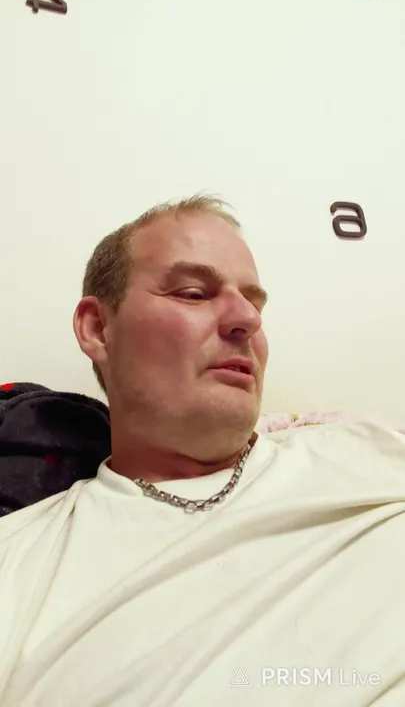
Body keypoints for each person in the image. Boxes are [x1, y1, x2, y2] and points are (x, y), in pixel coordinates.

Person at [1, 194, 405, 707]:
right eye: (193, 293)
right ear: (98, 327)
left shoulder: (370, 451)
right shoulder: (19, 565)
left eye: (255, 303)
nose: (246, 319)